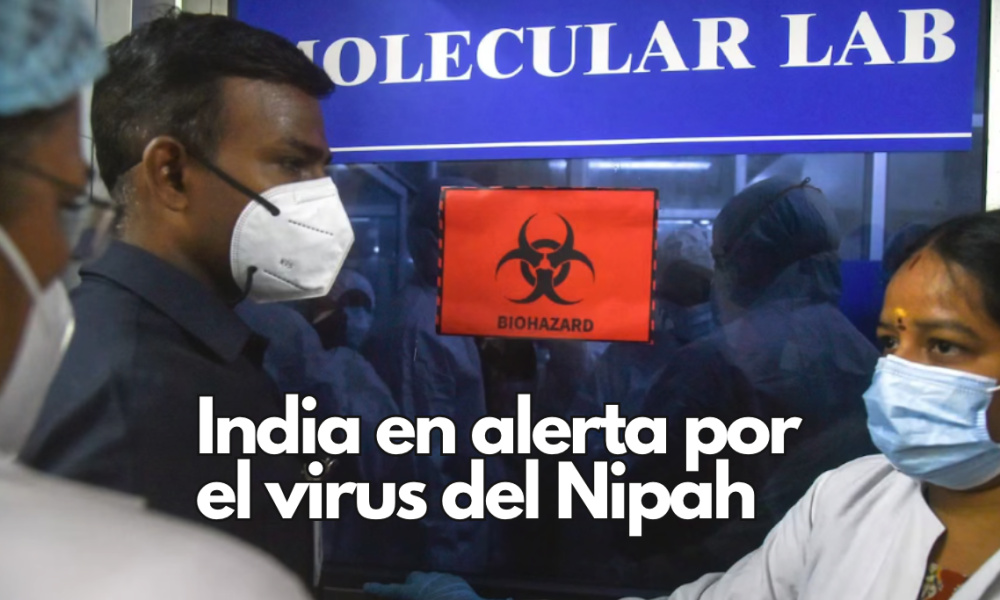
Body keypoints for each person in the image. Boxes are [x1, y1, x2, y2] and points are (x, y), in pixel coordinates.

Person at [21, 10, 352, 589]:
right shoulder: (130, 392)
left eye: (323, 168)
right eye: (292, 163)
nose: (322, 198)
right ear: (171, 174)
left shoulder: (191, 352)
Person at [644, 210, 1000, 600]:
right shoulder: (845, 499)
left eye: (943, 346)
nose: (899, 372)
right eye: (891, 342)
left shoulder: (724, 356)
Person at [626, 177, 880, 584]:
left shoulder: (710, 363)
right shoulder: (865, 356)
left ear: (744, 262)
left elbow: (643, 506)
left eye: (720, 260)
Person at [364, 176, 498, 573]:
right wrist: (443, 566)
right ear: (429, 243)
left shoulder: (444, 314)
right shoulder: (420, 327)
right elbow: (423, 466)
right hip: (441, 552)